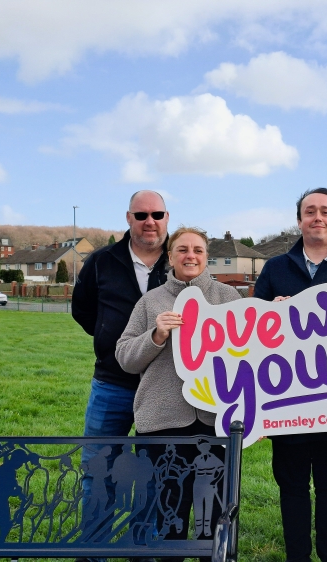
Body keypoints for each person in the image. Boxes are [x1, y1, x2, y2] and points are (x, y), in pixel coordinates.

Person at [253, 187, 327, 562]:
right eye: (309, 211)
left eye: (325, 211)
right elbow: (253, 336)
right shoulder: (274, 269)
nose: (317, 217)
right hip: (286, 400)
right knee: (292, 488)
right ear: (299, 221)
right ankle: (298, 557)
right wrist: (270, 314)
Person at [115, 226, 241, 562]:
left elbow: (252, 350)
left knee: (214, 515)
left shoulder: (228, 298)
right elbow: (125, 357)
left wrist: (280, 313)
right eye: (182, 250)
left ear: (206, 257)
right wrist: (156, 335)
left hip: (216, 422)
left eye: (198, 250)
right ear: (170, 257)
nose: (190, 256)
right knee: (170, 512)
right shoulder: (151, 301)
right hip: (164, 422)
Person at [71, 190, 170, 561]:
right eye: (141, 215)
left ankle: (142, 551)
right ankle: (93, 552)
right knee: (98, 470)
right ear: (128, 218)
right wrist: (110, 339)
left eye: (157, 214)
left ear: (167, 217)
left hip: (162, 387)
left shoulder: (180, 260)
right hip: (111, 385)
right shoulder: (102, 261)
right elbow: (83, 311)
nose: (149, 222)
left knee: (155, 474)